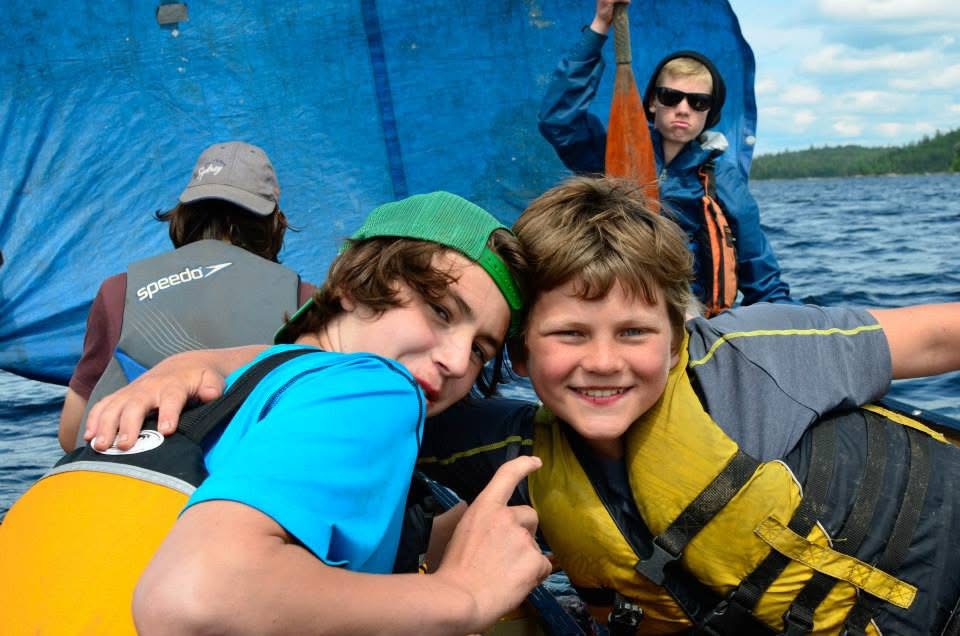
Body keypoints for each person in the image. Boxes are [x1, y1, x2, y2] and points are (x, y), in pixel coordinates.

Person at [100, 177, 960, 633]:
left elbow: (931, 339)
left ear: (681, 329)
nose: (603, 364)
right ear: (518, 358)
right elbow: (340, 364)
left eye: (635, 332)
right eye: (567, 334)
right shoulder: (495, 444)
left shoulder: (750, 363)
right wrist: (199, 364)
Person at [0, 191, 551, 635]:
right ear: (358, 288)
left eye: (481, 348)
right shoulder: (378, 388)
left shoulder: (228, 382)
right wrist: (462, 594)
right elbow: (196, 598)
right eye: (439, 310)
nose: (457, 361)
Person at [58, 140, 316, 452]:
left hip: (122, 473)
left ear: (183, 214)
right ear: (275, 222)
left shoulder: (118, 291)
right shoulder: (306, 301)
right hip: (235, 485)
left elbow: (70, 431)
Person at [538, 0, 794, 314]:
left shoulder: (723, 181)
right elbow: (558, 120)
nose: (683, 109)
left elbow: (762, 278)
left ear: (708, 114)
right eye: (671, 97)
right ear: (652, 105)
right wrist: (601, 25)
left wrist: (792, 330)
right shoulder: (610, 155)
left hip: (684, 312)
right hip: (610, 295)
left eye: (698, 102)